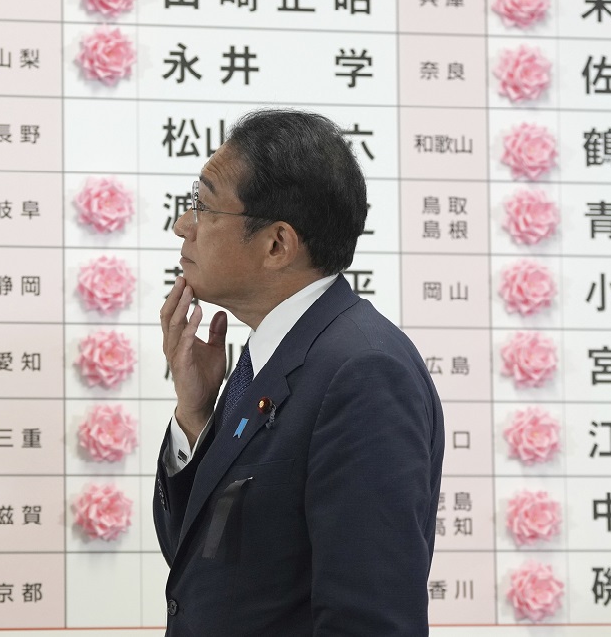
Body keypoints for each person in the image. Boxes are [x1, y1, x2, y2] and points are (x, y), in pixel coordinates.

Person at [154, 108, 445, 636]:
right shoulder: (272, 358)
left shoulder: (362, 372)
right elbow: (204, 563)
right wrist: (196, 417)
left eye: (203, 206)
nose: (182, 225)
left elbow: (371, 620)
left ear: (277, 244)